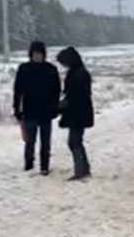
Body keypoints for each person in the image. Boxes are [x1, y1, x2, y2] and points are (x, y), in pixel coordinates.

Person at [12, 40, 61, 175]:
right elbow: (17, 91)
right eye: (35, 53)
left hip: (46, 112)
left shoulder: (51, 69)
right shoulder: (24, 69)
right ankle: (29, 165)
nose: (37, 56)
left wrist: (55, 108)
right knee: (30, 141)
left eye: (40, 53)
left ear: (44, 54)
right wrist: (17, 108)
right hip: (29, 111)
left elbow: (57, 91)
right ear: (31, 54)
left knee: (46, 141)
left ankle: (44, 166)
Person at [55, 46, 94, 180]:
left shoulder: (78, 74)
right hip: (79, 112)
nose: (63, 65)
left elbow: (75, 96)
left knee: (74, 142)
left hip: (78, 113)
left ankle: (81, 170)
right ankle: (84, 168)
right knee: (76, 141)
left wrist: (63, 106)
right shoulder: (78, 72)